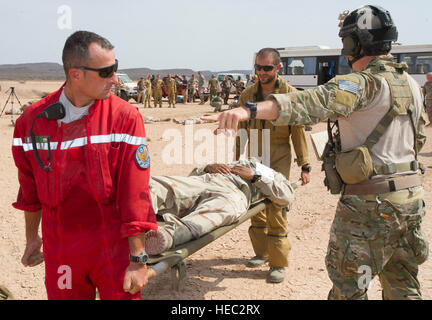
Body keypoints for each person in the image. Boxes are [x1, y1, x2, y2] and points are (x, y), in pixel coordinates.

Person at [203, 5, 428, 300]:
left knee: (349, 290)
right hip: (410, 203)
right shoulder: (411, 84)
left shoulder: (362, 83)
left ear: (356, 43)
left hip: (369, 207)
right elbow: (419, 139)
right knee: (404, 288)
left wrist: (249, 110)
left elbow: (308, 103)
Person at [11, 31, 157, 300]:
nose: (115, 79)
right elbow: (29, 190)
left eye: (116, 68)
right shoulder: (32, 122)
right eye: (107, 72)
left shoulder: (124, 117)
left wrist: (138, 259)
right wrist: (32, 238)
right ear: (76, 74)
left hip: (112, 246)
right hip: (62, 250)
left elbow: (134, 191)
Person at [234, 48, 311, 284]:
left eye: (267, 68)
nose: (262, 72)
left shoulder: (289, 94)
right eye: (258, 67)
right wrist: (236, 161)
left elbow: (297, 132)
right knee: (255, 204)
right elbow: (241, 130)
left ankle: (278, 263)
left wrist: (305, 164)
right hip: (255, 156)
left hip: (279, 157)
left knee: (276, 206)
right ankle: (262, 253)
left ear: (278, 68)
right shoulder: (248, 93)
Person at [145, 158, 296, 256]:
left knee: (217, 212)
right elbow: (191, 175)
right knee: (156, 184)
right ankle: (137, 220)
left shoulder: (266, 171)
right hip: (205, 181)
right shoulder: (237, 161)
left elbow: (286, 196)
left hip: (234, 193)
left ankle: (169, 235)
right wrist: (207, 167)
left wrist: (254, 177)